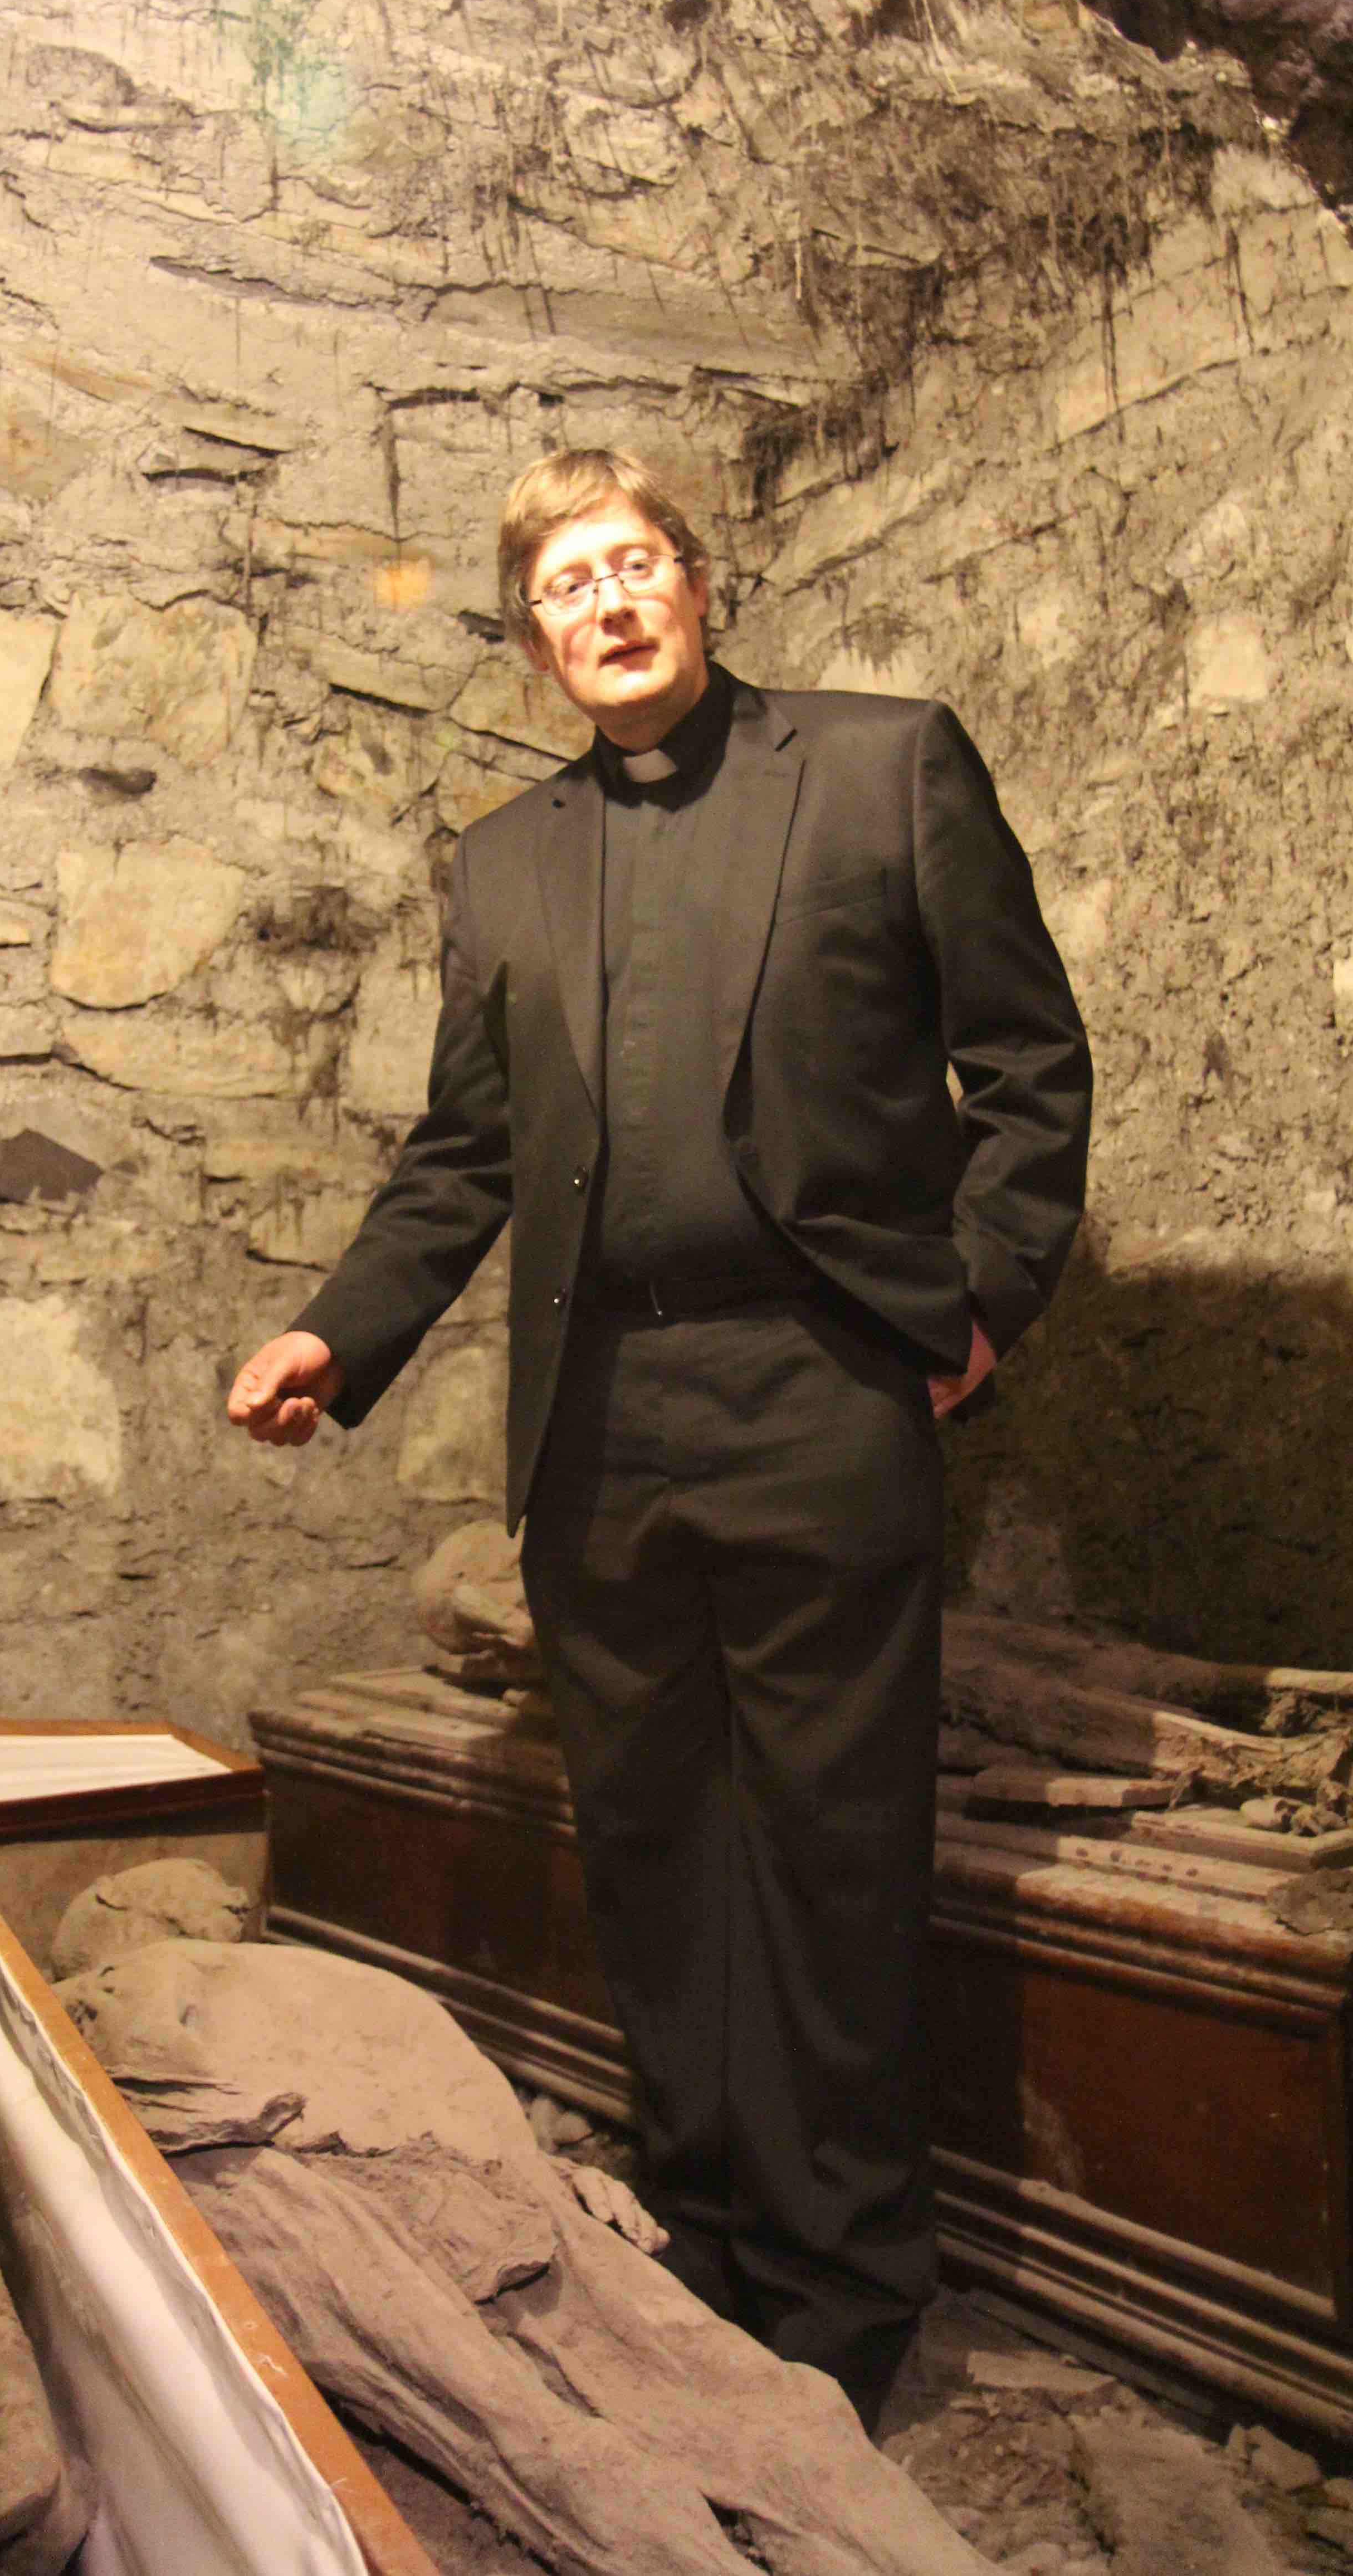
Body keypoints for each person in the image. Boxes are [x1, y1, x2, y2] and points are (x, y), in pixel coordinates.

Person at [229, 447, 1091, 2427]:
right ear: (535, 638)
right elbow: (463, 1159)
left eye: (634, 567)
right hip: (599, 1417)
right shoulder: (506, 860)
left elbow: (1031, 1066)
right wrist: (333, 1335)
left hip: (817, 1394)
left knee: (830, 1849)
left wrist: (974, 1304)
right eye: (564, 587)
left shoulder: (882, 767)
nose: (606, 606)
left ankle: (849, 2284)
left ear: (697, 586)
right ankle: (708, 2241)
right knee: (651, 1850)